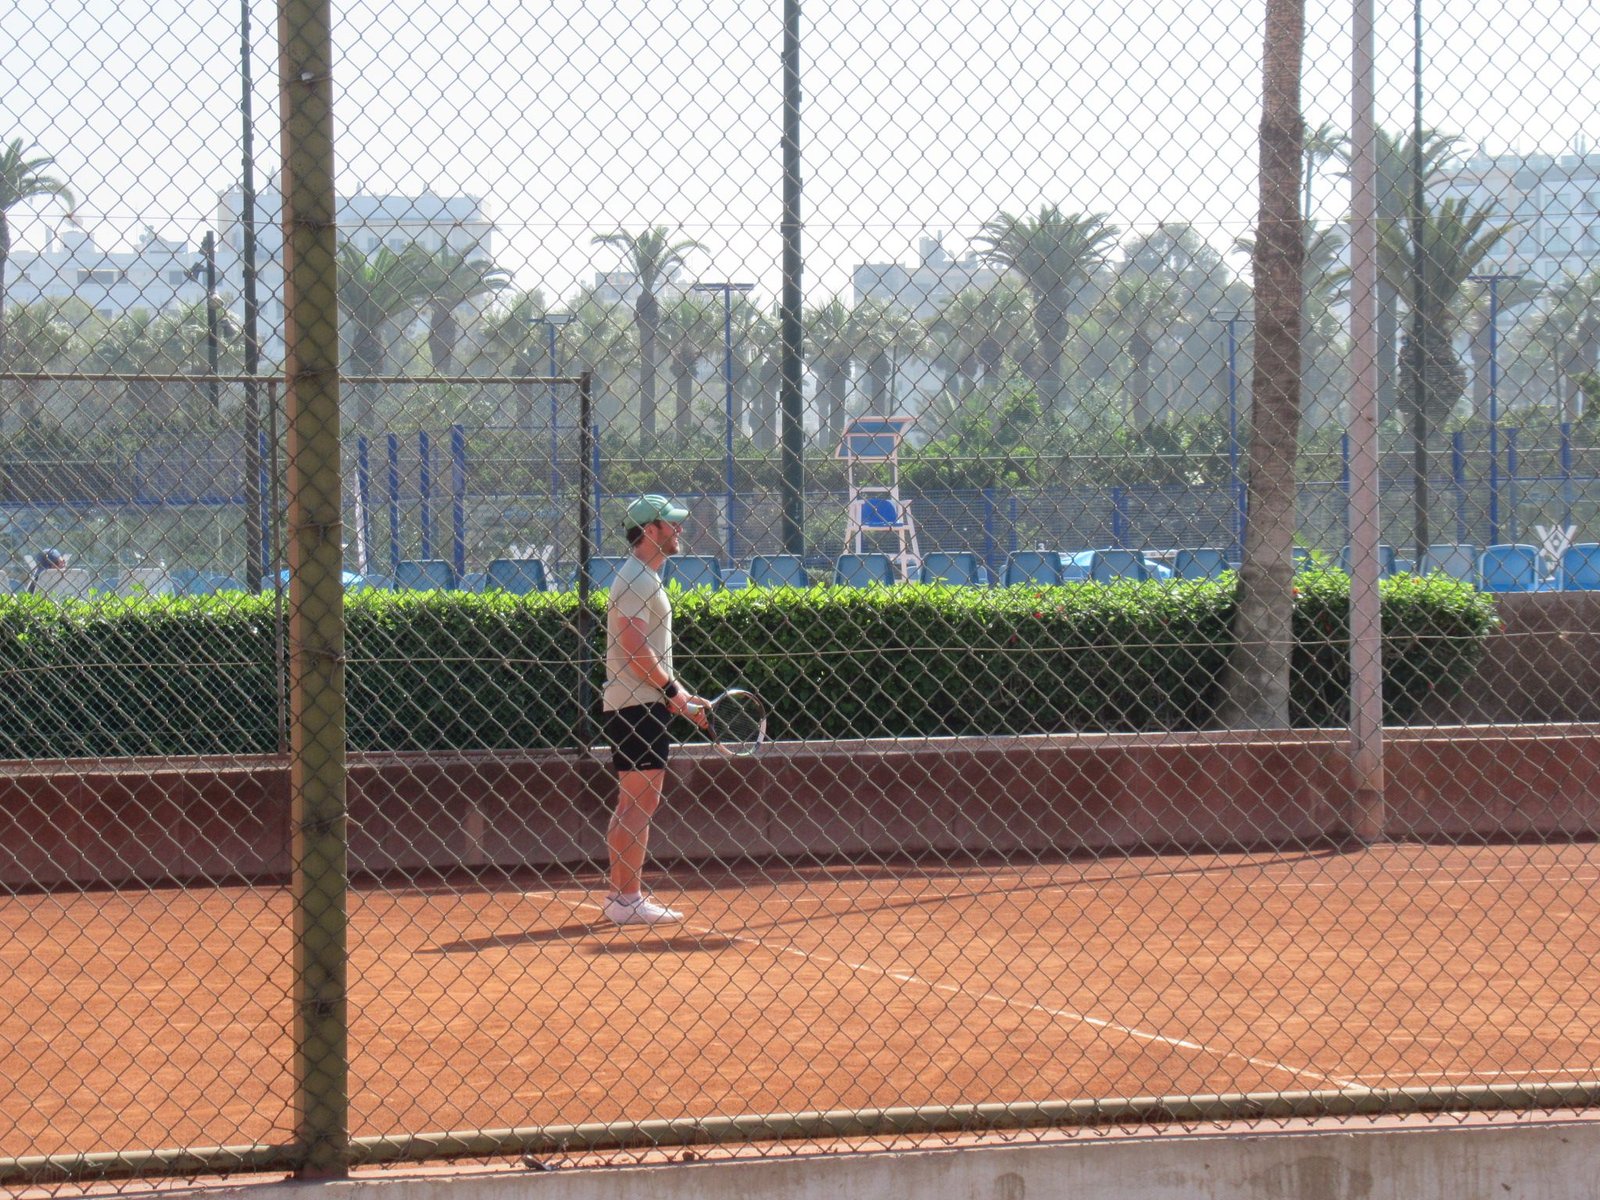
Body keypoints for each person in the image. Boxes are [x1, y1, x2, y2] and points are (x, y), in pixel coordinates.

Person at [600, 494, 708, 926]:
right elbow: (634, 648)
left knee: (632, 801)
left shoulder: (641, 577)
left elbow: (646, 655)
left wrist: (678, 696)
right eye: (671, 524)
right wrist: (674, 694)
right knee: (640, 802)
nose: (679, 530)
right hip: (637, 705)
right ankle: (627, 899)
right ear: (650, 531)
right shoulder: (637, 579)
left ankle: (620, 897)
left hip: (636, 702)